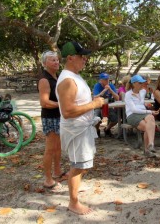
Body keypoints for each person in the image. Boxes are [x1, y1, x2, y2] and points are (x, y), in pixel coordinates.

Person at [56, 41, 104, 215]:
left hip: (82, 129)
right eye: (81, 56)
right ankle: (73, 202)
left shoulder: (74, 75)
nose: (85, 59)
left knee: (82, 165)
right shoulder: (67, 80)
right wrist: (94, 104)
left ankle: (74, 189)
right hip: (76, 130)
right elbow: (67, 111)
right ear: (70, 58)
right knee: (78, 166)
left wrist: (94, 100)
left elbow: (79, 101)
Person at [38, 50, 64, 192]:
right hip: (50, 117)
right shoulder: (44, 79)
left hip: (59, 116)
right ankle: (48, 180)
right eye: (52, 60)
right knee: (50, 149)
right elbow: (44, 102)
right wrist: (63, 104)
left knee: (58, 147)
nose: (56, 62)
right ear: (44, 63)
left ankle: (57, 172)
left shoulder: (58, 77)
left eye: (57, 60)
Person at [125, 75, 159, 158]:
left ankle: (150, 144)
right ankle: (147, 149)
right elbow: (134, 110)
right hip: (132, 115)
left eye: (142, 83)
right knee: (149, 125)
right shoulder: (128, 94)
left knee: (151, 118)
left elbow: (152, 97)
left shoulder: (143, 91)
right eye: (140, 83)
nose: (142, 84)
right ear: (133, 84)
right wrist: (149, 111)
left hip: (143, 113)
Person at [93, 72, 119, 137]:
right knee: (96, 118)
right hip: (98, 105)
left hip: (108, 106)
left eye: (108, 79)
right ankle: (97, 130)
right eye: (105, 79)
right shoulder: (97, 86)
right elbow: (95, 97)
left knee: (115, 119)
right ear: (101, 80)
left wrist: (110, 90)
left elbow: (117, 98)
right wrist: (104, 91)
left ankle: (107, 129)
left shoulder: (111, 85)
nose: (107, 81)